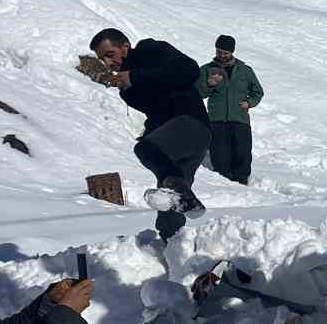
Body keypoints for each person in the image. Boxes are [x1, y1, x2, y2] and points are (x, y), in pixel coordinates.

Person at [89, 29, 209, 244]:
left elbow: (189, 70)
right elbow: (157, 110)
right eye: (102, 59)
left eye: (110, 54)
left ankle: (183, 198)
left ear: (125, 45)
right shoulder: (127, 89)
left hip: (191, 125)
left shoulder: (150, 50)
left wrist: (136, 76)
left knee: (146, 150)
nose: (108, 63)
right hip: (176, 137)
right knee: (169, 199)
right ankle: (172, 248)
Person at [199, 35, 264, 186]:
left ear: (232, 52)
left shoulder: (245, 70)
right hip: (217, 120)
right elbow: (199, 93)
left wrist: (249, 102)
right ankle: (225, 185)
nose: (221, 55)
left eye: (225, 53)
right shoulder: (207, 69)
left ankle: (242, 184)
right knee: (220, 156)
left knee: (243, 154)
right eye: (219, 52)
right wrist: (209, 84)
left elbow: (258, 92)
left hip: (239, 119)